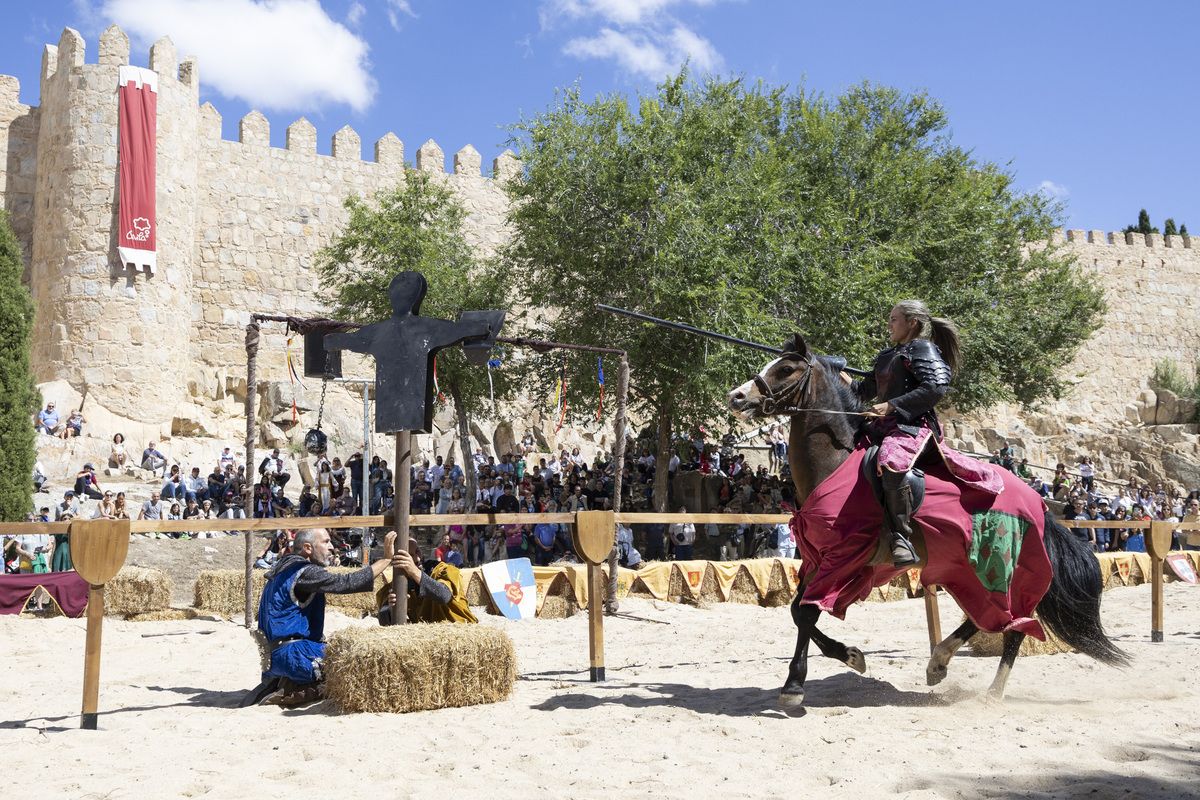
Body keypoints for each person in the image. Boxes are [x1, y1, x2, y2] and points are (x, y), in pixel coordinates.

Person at [848, 300, 1000, 569]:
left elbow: (935, 388)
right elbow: (863, 392)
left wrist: (892, 405)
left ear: (912, 323)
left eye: (894, 319)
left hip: (913, 426)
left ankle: (901, 537)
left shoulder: (922, 348)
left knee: (891, 461)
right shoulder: (886, 355)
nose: (889, 324)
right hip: (882, 427)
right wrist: (830, 371)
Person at [257, 529, 398, 706]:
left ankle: (291, 683)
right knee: (360, 662)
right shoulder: (304, 570)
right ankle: (294, 690)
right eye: (325, 542)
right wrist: (385, 560)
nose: (332, 547)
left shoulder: (282, 569)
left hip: (274, 658)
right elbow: (345, 583)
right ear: (308, 548)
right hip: (295, 655)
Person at [378, 538, 478, 626]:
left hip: (460, 628)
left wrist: (414, 571)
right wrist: (392, 611)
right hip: (429, 636)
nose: (417, 558)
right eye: (410, 555)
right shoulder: (399, 582)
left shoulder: (443, 570)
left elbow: (444, 595)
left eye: (418, 551)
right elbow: (382, 617)